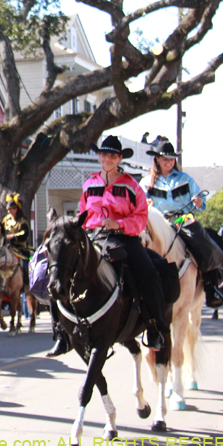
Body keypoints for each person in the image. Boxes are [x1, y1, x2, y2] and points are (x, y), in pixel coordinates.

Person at [47, 135, 168, 357]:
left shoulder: (131, 185)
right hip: (92, 237)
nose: (107, 159)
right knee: (58, 269)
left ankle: (154, 327)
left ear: (119, 158)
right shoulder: (89, 183)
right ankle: (62, 334)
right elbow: (83, 211)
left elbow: (141, 217)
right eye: (104, 155)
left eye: (112, 155)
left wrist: (119, 224)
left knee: (150, 273)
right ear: (99, 156)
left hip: (124, 237)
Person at [140, 141, 223, 308]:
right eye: (165, 159)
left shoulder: (186, 179)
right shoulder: (146, 181)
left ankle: (211, 286)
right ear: (157, 159)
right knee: (137, 244)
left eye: (171, 159)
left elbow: (202, 202)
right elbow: (137, 203)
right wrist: (144, 204)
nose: (168, 161)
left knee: (204, 243)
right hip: (157, 222)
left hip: (181, 220)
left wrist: (199, 202)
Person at [0, 193, 32, 284]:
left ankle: (27, 283)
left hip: (20, 248)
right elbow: (2, 229)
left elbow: (24, 233)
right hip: (7, 247)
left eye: (10, 210)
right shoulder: (7, 219)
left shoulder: (22, 221)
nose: (8, 212)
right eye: (8, 210)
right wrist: (0, 229)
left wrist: (13, 236)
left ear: (16, 209)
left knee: (25, 266)